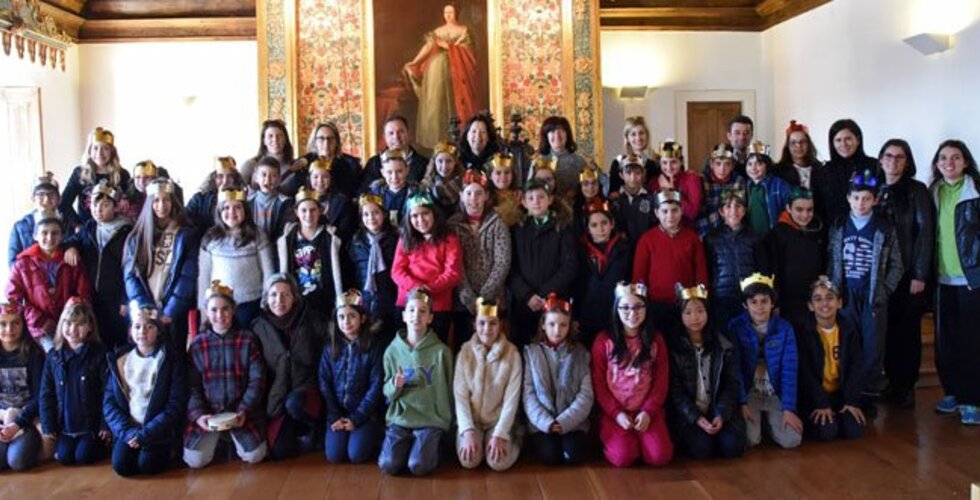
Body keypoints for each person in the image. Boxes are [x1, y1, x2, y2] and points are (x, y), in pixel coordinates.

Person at [827, 168, 903, 417]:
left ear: (875, 200)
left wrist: (884, 290)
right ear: (848, 198)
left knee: (872, 348)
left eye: (867, 198)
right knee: (847, 344)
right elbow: (832, 259)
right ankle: (846, 393)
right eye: (857, 198)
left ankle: (868, 395)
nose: (861, 203)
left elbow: (897, 264)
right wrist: (833, 291)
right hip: (846, 295)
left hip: (872, 298)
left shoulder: (883, 228)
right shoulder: (839, 225)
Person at [875, 139, 935, 409]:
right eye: (889, 156)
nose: (893, 161)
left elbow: (925, 233)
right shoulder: (876, 188)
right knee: (887, 330)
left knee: (907, 332)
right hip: (882, 274)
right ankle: (891, 381)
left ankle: (905, 385)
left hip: (909, 273)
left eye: (900, 157)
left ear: (907, 162)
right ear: (880, 159)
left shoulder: (916, 190)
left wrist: (920, 274)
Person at [183, 281, 267, 468]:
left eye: (225, 309)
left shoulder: (247, 340)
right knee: (195, 461)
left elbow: (257, 380)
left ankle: (230, 438)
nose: (220, 315)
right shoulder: (197, 345)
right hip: (209, 415)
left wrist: (244, 409)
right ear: (206, 311)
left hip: (240, 413)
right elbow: (191, 385)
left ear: (233, 310)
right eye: (214, 310)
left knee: (255, 455)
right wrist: (199, 415)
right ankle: (220, 438)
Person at [592, 282, 673, 467]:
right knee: (622, 457)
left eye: (638, 307)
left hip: (647, 410)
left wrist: (648, 411)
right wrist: (616, 413)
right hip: (615, 413)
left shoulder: (656, 340)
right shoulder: (603, 341)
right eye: (625, 308)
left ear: (646, 308)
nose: (632, 313)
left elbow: (661, 380)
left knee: (660, 456)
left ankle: (643, 441)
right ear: (616, 309)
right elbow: (598, 382)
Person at [929, 140, 980, 426]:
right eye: (943, 158)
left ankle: (972, 399)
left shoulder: (976, 191)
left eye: (955, 157)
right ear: (937, 164)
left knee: (971, 341)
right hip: (941, 279)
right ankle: (952, 392)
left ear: (965, 162)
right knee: (945, 341)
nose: (949, 162)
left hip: (971, 279)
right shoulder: (933, 192)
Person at [251, 274, 329, 460]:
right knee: (280, 451)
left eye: (286, 295)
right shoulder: (258, 327)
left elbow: (330, 353)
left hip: (307, 390)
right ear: (266, 298)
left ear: (295, 297)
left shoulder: (313, 320)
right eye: (274, 295)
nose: (279, 301)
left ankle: (313, 428)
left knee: (295, 404)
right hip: (277, 394)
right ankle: (293, 429)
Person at [103, 305, 187, 476]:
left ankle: (167, 451)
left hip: (157, 430)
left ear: (159, 331)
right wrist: (127, 432)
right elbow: (109, 403)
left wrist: (147, 433)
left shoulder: (170, 359)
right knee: (122, 466)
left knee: (147, 466)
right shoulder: (120, 360)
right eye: (137, 326)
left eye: (149, 327)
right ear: (130, 331)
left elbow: (175, 404)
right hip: (130, 427)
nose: (142, 331)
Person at [378, 288, 454, 476]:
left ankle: (431, 447)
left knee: (417, 466)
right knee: (388, 464)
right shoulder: (392, 351)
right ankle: (406, 447)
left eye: (422, 311)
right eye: (411, 310)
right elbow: (387, 393)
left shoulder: (441, 352)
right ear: (404, 316)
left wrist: (448, 422)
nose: (416, 316)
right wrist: (395, 385)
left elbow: (450, 389)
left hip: (430, 420)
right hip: (401, 419)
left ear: (430, 318)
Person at [668, 285, 745, 459]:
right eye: (688, 312)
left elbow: (731, 382)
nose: (695, 317)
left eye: (700, 311)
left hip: (718, 409)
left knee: (733, 447)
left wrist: (721, 414)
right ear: (680, 315)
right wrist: (696, 417)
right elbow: (675, 391)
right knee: (701, 450)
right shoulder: (674, 347)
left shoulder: (724, 343)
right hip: (691, 414)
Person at [728, 274, 803, 449]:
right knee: (750, 440)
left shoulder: (785, 328)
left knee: (792, 440)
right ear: (745, 305)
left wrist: (789, 408)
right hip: (750, 392)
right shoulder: (736, 327)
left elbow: (789, 370)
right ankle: (760, 424)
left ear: (772, 303)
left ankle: (770, 422)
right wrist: (741, 402)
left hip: (774, 392)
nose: (759, 307)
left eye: (764, 301)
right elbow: (734, 367)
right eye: (753, 302)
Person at [123, 179, 199, 350]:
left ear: (173, 202)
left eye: (166, 200)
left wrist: (170, 311)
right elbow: (130, 276)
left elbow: (187, 277)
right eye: (156, 200)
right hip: (144, 313)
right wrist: (145, 306)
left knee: (174, 356)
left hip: (173, 314)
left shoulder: (186, 235)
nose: (161, 205)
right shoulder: (136, 237)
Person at [522, 294, 593, 465]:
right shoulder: (532, 353)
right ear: (543, 325)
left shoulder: (580, 354)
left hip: (572, 423)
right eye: (552, 324)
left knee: (572, 456)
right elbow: (528, 395)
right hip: (542, 423)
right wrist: (546, 422)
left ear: (569, 326)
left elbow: (586, 395)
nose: (557, 330)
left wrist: (565, 421)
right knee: (550, 457)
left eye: (563, 325)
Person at [454, 298, 523, 471]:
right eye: (482, 323)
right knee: (469, 461)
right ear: (474, 324)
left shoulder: (512, 354)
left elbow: (511, 400)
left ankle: (516, 436)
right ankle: (475, 438)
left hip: (497, 421)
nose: (487, 329)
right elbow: (460, 396)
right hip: (473, 421)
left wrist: (500, 433)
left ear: (500, 325)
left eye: (493, 323)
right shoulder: (465, 352)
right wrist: (467, 430)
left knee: (498, 463)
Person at [6, 214, 92, 352]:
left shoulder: (71, 259)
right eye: (44, 233)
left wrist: (70, 317)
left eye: (55, 233)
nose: (50, 238)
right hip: (39, 328)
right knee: (52, 356)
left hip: (70, 325)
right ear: (35, 236)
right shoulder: (22, 263)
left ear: (62, 236)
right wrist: (40, 320)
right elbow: (13, 299)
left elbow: (84, 293)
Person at [62, 181, 133, 348]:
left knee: (116, 339)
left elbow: (133, 268)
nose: (98, 210)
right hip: (92, 297)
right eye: (95, 204)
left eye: (105, 205)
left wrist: (125, 297)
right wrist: (71, 247)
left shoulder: (127, 232)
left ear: (116, 207)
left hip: (116, 299)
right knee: (94, 340)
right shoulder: (90, 227)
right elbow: (72, 240)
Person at [508, 178, 578, 346]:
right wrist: (527, 295)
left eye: (541, 197)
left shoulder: (562, 227)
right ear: (524, 202)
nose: (536, 202)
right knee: (523, 345)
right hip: (524, 302)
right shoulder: (517, 229)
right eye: (531, 198)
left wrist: (543, 294)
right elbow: (510, 267)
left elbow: (570, 266)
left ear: (550, 200)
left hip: (554, 301)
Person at [403, 4, 483, 150]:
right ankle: (435, 141)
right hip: (436, 70)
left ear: (456, 13)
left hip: (457, 70)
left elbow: (469, 53)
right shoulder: (438, 31)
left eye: (451, 12)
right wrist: (415, 62)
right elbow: (428, 47)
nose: (448, 15)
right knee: (436, 101)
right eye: (446, 12)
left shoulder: (463, 30)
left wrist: (447, 46)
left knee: (455, 101)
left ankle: (457, 140)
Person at [39, 298, 109, 465]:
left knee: (83, 456)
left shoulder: (100, 354)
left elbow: (109, 392)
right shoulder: (53, 356)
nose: (73, 329)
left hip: (90, 427)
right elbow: (46, 393)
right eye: (68, 323)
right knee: (64, 458)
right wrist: (48, 426)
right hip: (66, 428)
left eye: (80, 324)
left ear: (90, 327)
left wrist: (105, 424)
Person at [319, 290, 385, 463]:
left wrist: (357, 418)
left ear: (362, 318)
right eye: (341, 317)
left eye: (351, 316)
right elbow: (324, 382)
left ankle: (375, 433)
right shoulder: (330, 347)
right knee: (334, 456)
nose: (346, 322)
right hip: (338, 412)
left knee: (356, 455)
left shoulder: (373, 347)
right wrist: (334, 415)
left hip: (364, 414)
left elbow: (376, 385)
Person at [449, 169, 512, 349]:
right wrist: (468, 297)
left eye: (478, 193)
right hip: (463, 301)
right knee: (465, 349)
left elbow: (502, 261)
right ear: (461, 196)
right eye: (469, 193)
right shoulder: (452, 225)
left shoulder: (498, 223)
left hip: (493, 298)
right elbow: (454, 263)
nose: (473, 199)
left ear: (486, 196)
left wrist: (485, 295)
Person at [798, 277, 866, 441]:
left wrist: (851, 401)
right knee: (827, 432)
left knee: (854, 431)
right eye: (818, 299)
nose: (825, 303)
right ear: (810, 305)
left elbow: (856, 367)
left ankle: (839, 418)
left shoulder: (850, 330)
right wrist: (821, 403)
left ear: (839, 302)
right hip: (815, 397)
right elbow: (806, 373)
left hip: (840, 395)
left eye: (830, 298)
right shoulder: (804, 332)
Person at [632, 189, 707, 335]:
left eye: (674, 210)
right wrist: (640, 303)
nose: (670, 216)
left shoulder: (692, 238)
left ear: (682, 211)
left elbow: (701, 271)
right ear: (656, 213)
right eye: (664, 211)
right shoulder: (647, 240)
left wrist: (700, 300)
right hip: (656, 305)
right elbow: (639, 276)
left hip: (687, 304)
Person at [391, 191, 463, 344]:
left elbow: (453, 273)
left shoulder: (449, 238)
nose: (420, 220)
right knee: (405, 347)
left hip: (438, 305)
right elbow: (397, 271)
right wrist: (416, 288)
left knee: (435, 348)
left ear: (434, 214)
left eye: (425, 214)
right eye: (415, 216)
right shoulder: (405, 239)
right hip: (407, 303)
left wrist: (427, 289)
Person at [198, 189, 275, 327]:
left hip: (251, 303)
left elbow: (268, 271)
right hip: (219, 305)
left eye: (237, 207)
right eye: (226, 208)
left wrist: (266, 301)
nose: (232, 212)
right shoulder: (210, 238)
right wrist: (203, 308)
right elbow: (204, 276)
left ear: (245, 210)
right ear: (219, 211)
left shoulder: (258, 235)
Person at [763, 187, 826, 336]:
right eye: (799, 209)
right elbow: (772, 270)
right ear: (788, 208)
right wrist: (775, 302)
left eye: (809, 210)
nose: (805, 215)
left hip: (813, 302)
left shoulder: (818, 231)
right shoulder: (777, 235)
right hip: (787, 303)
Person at [277, 187, 346, 313]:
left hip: (325, 301)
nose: (308, 215)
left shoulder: (331, 238)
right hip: (297, 303)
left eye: (313, 210)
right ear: (297, 212)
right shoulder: (287, 240)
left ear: (320, 211)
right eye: (304, 210)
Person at [705, 191, 765, 329]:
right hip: (721, 297)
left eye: (738, 206)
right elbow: (708, 268)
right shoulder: (712, 238)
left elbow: (761, 267)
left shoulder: (754, 237)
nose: (733, 210)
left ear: (744, 211)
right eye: (728, 206)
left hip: (748, 296)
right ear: (721, 212)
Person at [575, 198, 630, 347]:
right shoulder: (580, 251)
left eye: (604, 223)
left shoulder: (625, 249)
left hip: (616, 313)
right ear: (587, 229)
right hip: (587, 313)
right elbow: (576, 285)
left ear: (612, 224)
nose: (600, 229)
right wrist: (575, 315)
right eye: (594, 225)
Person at [349, 194, 400, 344]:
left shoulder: (396, 238)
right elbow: (352, 272)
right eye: (366, 214)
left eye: (375, 213)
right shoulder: (357, 241)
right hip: (365, 300)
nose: (371, 218)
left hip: (391, 300)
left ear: (384, 214)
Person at [0, 302, 45, 471]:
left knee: (17, 461)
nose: (9, 329)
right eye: (3, 324)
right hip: (2, 418)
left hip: (26, 420)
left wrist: (17, 423)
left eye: (15, 323)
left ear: (23, 325)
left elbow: (40, 396)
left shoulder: (34, 353)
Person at [813, 119, 879, 227]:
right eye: (838, 140)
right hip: (834, 231)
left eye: (848, 139)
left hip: (870, 230)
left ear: (858, 140)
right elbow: (819, 207)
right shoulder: (823, 172)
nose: (843, 144)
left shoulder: (874, 166)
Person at [60, 126, 131, 224]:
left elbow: (130, 202)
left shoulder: (122, 174)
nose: (99, 153)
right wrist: (77, 224)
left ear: (112, 151)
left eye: (105, 148)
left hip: (115, 228)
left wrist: (125, 199)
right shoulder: (79, 173)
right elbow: (64, 203)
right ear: (89, 150)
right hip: (86, 227)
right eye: (95, 148)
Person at [9, 172, 79, 266]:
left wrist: (72, 247)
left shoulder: (70, 223)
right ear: (33, 199)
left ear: (59, 199)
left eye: (51, 195)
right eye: (41, 195)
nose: (46, 200)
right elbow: (13, 264)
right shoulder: (20, 227)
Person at [286, 122, 362, 198]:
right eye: (321, 138)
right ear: (315, 141)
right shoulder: (304, 163)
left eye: (330, 138)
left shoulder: (351, 164)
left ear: (337, 142)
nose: (326, 143)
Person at [360, 116, 429, 191]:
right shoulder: (374, 163)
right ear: (385, 137)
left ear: (408, 133)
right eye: (391, 133)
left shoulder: (425, 164)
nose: (396, 137)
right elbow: (363, 192)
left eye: (401, 132)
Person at [697, 143, 746, 238]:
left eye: (727, 164)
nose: (722, 169)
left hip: (730, 230)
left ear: (732, 165)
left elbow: (736, 211)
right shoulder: (702, 180)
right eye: (718, 163)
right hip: (705, 229)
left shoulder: (738, 180)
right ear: (711, 164)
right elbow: (699, 212)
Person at [186, 157, 245, 235]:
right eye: (220, 176)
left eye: (230, 176)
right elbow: (185, 220)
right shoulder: (199, 200)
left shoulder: (243, 200)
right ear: (213, 178)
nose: (225, 181)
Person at [744, 142, 791, 235]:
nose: (753, 168)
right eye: (749, 164)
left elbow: (790, 209)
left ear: (767, 165)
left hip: (774, 236)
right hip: (751, 237)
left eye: (759, 164)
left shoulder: (779, 185)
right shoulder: (745, 186)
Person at [651, 141, 701, 229]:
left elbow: (693, 213)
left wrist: (672, 190)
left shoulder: (691, 179)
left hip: (686, 230)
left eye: (673, 162)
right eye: (664, 163)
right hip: (662, 231)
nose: (669, 167)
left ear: (681, 162)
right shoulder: (654, 182)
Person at [538, 116, 589, 201]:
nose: (557, 135)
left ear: (567, 134)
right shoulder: (538, 161)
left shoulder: (579, 162)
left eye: (561, 130)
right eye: (552, 131)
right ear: (546, 136)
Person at [610, 154, 657, 245]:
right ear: (621, 175)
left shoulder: (651, 198)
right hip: (621, 248)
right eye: (628, 173)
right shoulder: (614, 200)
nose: (633, 178)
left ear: (643, 174)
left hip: (645, 245)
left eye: (638, 173)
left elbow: (654, 224)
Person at [608, 116, 659, 195]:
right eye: (633, 134)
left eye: (641, 133)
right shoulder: (618, 163)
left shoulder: (654, 163)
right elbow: (613, 193)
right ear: (627, 138)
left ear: (646, 135)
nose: (638, 138)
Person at [249, 157, 295, 245]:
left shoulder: (286, 203)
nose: (268, 179)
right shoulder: (248, 202)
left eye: (273, 176)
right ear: (256, 178)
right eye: (263, 175)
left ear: (279, 179)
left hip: (276, 246)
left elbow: (284, 231)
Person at [366, 150, 418, 226]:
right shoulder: (375, 193)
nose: (394, 177)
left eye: (399, 171)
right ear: (383, 172)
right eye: (389, 172)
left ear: (407, 170)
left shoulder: (416, 193)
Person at [239, 119, 296, 187]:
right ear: (264, 141)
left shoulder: (295, 166)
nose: (275, 140)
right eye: (270, 136)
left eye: (279, 136)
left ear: (285, 140)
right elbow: (238, 190)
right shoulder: (250, 165)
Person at [774, 120, 822, 189]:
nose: (798, 146)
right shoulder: (778, 171)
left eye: (802, 142)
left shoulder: (820, 169)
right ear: (788, 146)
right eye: (793, 143)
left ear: (808, 144)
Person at [420, 141, 463, 215]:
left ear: (455, 162)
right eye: (440, 161)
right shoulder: (426, 185)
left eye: (448, 161)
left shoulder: (464, 183)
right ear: (434, 162)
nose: (444, 166)